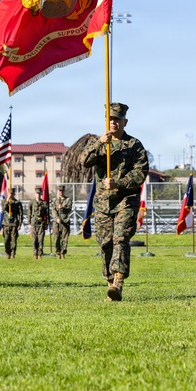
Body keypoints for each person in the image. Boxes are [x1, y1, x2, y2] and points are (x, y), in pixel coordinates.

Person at [80, 102, 149, 301]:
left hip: (125, 200)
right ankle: (110, 281)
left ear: (125, 121)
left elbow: (140, 172)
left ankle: (118, 280)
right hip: (103, 203)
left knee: (121, 238)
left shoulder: (134, 145)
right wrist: (99, 143)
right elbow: (83, 161)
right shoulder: (100, 143)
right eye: (110, 119)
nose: (113, 123)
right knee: (105, 243)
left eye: (117, 119)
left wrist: (118, 183)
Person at [51, 186, 72, 259]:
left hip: (65, 221)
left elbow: (69, 210)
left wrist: (62, 208)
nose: (61, 192)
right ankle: (58, 252)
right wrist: (56, 218)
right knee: (56, 238)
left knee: (64, 238)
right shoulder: (54, 200)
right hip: (56, 222)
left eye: (62, 191)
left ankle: (63, 253)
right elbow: (53, 210)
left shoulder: (68, 200)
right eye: (59, 191)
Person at [29, 185, 49, 259]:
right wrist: (29, 223)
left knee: (40, 239)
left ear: (41, 194)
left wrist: (46, 223)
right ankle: (35, 254)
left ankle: (40, 254)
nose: (38, 195)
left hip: (41, 223)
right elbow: (29, 213)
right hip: (34, 222)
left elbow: (47, 214)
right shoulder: (32, 202)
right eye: (37, 193)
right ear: (35, 194)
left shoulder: (44, 203)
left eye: (39, 193)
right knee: (34, 239)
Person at [3, 188, 22, 259]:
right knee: (6, 239)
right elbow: (4, 208)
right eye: (10, 193)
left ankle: (13, 253)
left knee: (13, 239)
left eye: (12, 194)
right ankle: (7, 253)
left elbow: (20, 214)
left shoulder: (17, 203)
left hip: (14, 223)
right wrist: (7, 201)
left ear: (14, 194)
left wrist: (20, 224)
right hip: (6, 223)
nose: (11, 195)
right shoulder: (4, 201)